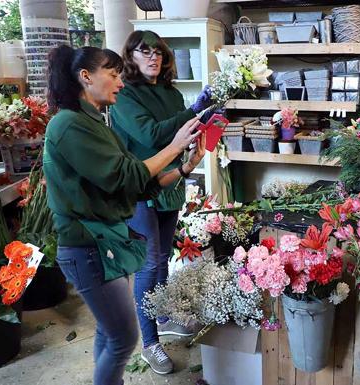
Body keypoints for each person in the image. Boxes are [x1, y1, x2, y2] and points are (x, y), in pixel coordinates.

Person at [44, 45, 206, 385]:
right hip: (87, 247)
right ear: (85, 77)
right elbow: (127, 176)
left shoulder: (97, 123)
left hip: (106, 245)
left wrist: (185, 166)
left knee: (110, 332)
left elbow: (137, 185)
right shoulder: (68, 125)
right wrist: (175, 145)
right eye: (113, 74)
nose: (120, 82)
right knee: (122, 338)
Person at [109, 30, 214, 375]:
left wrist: (209, 118)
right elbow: (152, 136)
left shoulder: (168, 92)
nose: (152, 57)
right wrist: (193, 110)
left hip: (169, 183)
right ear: (131, 58)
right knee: (149, 263)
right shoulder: (125, 96)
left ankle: (164, 314)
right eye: (144, 52)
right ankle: (150, 343)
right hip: (139, 188)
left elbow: (182, 131)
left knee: (164, 257)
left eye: (157, 52)